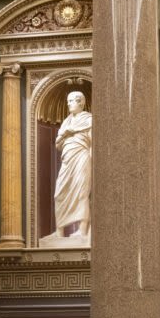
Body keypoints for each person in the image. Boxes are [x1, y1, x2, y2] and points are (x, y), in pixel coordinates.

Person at [53, 92, 92, 239]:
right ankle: (59, 233)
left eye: (72, 101)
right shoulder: (66, 122)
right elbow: (57, 144)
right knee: (59, 194)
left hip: (82, 157)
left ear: (81, 103)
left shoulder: (89, 119)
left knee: (82, 192)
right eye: (68, 100)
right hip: (67, 159)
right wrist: (66, 133)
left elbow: (94, 142)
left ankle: (82, 230)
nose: (68, 103)